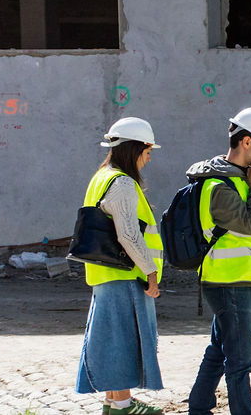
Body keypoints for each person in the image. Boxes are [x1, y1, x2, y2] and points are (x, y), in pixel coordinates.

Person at [186, 107, 251, 415]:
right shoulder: (219, 186)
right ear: (247, 142)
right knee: (241, 358)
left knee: (219, 350)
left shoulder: (233, 179)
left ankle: (199, 407)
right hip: (228, 281)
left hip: (237, 278)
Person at [75, 116, 164, 414]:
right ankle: (124, 406)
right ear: (135, 149)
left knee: (114, 339)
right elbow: (128, 234)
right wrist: (151, 273)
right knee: (124, 341)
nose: (148, 159)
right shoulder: (123, 182)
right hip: (127, 276)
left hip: (104, 275)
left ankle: (114, 402)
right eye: (147, 152)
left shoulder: (101, 177)